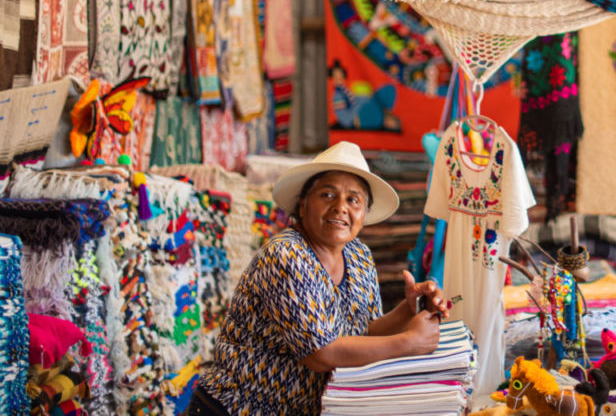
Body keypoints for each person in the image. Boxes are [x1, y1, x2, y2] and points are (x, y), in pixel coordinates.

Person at [185, 141, 448, 415]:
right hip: (233, 408)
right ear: (302, 204)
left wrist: (410, 309)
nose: (340, 207)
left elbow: (362, 333)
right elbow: (321, 353)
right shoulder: (287, 255)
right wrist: (408, 343)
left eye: (353, 200)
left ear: (364, 213)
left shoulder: (358, 255)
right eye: (327, 194)